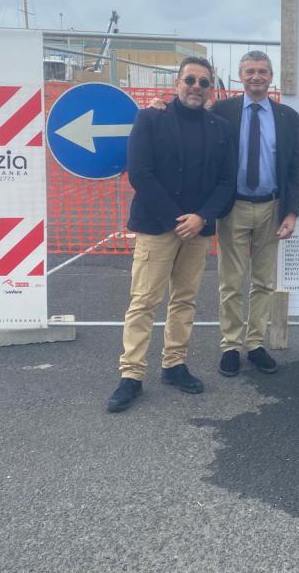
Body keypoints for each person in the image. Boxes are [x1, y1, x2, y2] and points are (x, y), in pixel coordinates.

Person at [108, 57, 237, 413]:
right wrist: (175, 219)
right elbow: (140, 173)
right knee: (144, 301)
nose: (196, 87)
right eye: (190, 80)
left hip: (198, 229)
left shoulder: (221, 128)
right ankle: (131, 374)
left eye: (203, 82)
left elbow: (227, 181)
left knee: (184, 300)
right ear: (177, 83)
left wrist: (202, 217)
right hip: (157, 225)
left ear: (210, 89)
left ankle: (174, 364)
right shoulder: (151, 119)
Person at [211, 51, 299, 377]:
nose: (256, 77)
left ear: (271, 76)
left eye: (262, 71)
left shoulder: (287, 117)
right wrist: (160, 108)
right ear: (240, 76)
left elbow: (294, 168)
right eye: (250, 71)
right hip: (232, 207)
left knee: (264, 281)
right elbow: (190, 127)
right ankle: (230, 346)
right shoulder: (221, 111)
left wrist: (291, 212)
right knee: (231, 283)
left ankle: (254, 344)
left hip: (271, 208)